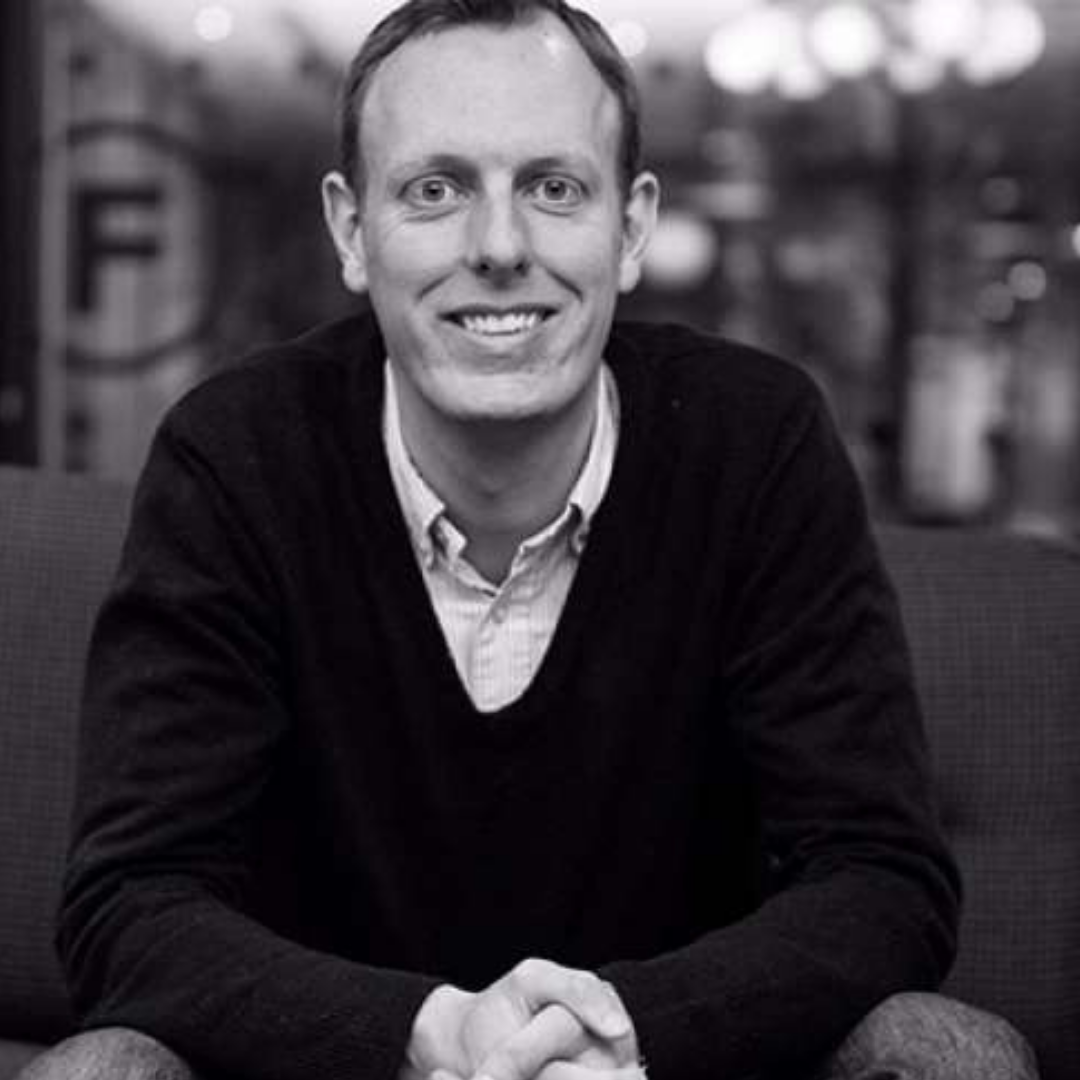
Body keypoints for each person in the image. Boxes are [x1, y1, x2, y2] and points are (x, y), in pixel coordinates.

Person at [23, 2, 1038, 1079]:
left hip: (673, 1066)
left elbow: (882, 878)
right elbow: (131, 905)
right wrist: (432, 1035)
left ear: (632, 227)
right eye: (436, 189)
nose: (500, 248)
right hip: (340, 1066)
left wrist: (627, 1027)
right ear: (353, 232)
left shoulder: (755, 441)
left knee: (951, 1054)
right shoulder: (237, 454)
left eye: (554, 188)